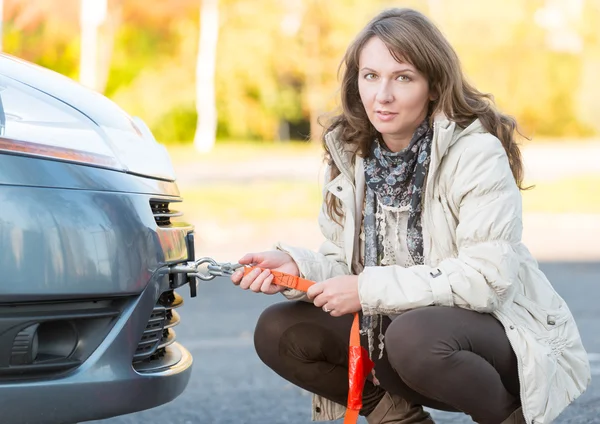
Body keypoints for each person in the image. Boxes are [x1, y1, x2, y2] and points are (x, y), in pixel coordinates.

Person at [230, 8, 590, 424]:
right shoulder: (351, 156)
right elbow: (348, 267)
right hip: (397, 331)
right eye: (370, 76)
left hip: (493, 337)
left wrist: (366, 291)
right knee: (279, 330)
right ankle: (399, 419)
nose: (382, 95)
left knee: (412, 337)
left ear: (433, 86)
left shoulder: (476, 156)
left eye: (402, 77)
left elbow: (487, 279)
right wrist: (296, 266)